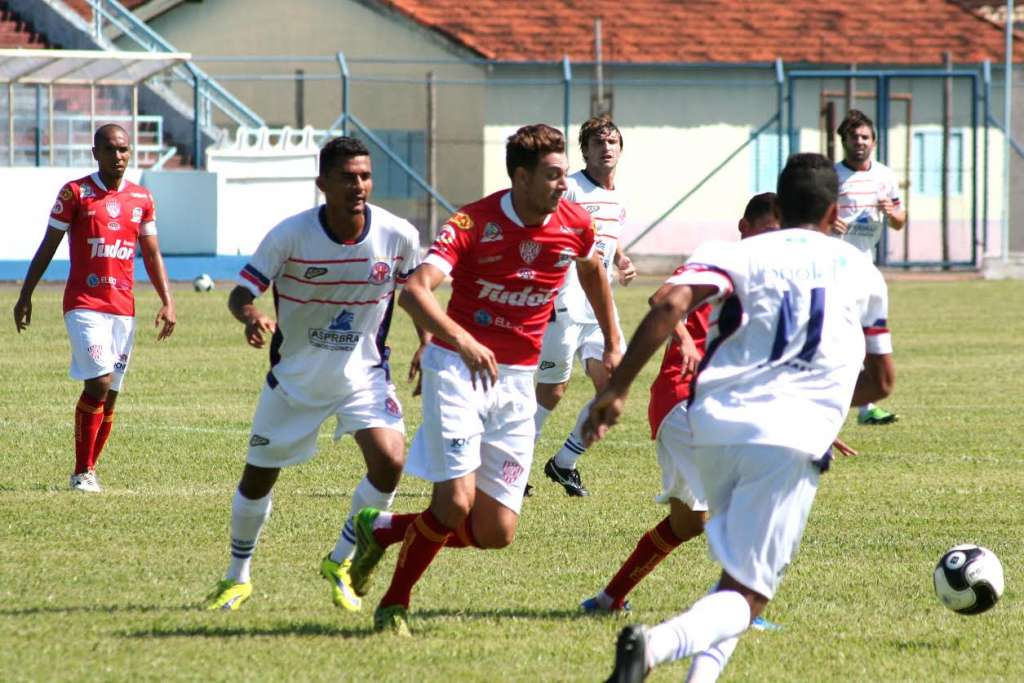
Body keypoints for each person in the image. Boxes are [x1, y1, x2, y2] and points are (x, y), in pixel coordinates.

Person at [586, 153, 895, 682]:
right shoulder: (861, 270)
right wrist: (825, 405)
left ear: (782, 199)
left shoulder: (736, 253)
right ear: (834, 210)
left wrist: (617, 389)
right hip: (786, 440)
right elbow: (882, 381)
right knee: (751, 594)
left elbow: (666, 305)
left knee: (740, 576)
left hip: (713, 426)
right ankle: (652, 647)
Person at [347, 123, 621, 636]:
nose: (564, 184)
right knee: (454, 503)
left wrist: (612, 339)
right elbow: (415, 291)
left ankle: (381, 529)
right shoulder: (474, 221)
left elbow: (591, 269)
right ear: (520, 177)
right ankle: (393, 604)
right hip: (457, 368)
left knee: (496, 531)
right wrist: (463, 340)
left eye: (564, 174)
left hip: (517, 381)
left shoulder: (574, 221)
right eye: (553, 175)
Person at [203, 137, 424, 613]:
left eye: (364, 175)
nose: (358, 185)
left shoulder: (398, 234)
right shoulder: (290, 236)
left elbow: (416, 292)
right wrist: (252, 316)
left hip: (363, 374)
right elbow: (241, 292)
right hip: (295, 378)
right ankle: (237, 576)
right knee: (258, 480)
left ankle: (340, 559)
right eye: (347, 177)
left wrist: (427, 341)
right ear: (322, 183)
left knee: (389, 461)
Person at [580, 193, 782, 633]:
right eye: (765, 231)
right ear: (744, 226)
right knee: (749, 496)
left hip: (707, 404)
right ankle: (741, 608)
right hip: (683, 399)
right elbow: (661, 298)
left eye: (778, 233)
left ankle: (608, 598)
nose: (771, 240)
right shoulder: (720, 260)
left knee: (687, 522)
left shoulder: (766, 279)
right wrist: (684, 339)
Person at [13, 124, 176, 493]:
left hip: (123, 308)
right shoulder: (75, 193)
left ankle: (90, 468)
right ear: (95, 153)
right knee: (99, 383)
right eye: (110, 149)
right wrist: (26, 294)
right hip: (84, 304)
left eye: (124, 150)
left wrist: (168, 300)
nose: (118, 156)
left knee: (112, 392)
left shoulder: (141, 198)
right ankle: (82, 472)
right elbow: (49, 244)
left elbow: (150, 253)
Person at [532, 115, 636, 496]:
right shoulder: (571, 188)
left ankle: (564, 463)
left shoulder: (619, 196)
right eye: (597, 143)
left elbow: (601, 240)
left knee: (613, 387)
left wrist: (620, 259)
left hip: (598, 306)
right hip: (563, 302)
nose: (606, 148)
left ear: (621, 149)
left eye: (612, 141)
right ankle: (511, 466)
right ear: (585, 151)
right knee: (551, 392)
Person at [834, 108, 904, 426]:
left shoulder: (885, 177)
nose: (859, 141)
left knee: (865, 333)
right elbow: (811, 218)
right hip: (835, 265)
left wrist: (892, 213)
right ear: (844, 141)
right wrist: (826, 224)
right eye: (853, 137)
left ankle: (866, 406)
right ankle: (851, 402)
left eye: (865, 136)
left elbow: (901, 221)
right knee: (844, 335)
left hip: (866, 265)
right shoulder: (831, 177)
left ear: (874, 141)